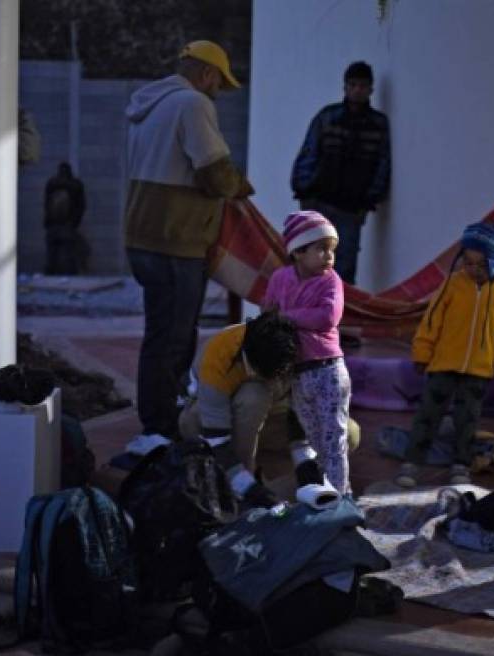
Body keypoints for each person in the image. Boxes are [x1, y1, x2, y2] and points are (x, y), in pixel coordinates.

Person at [123, 40, 253, 454]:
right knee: (173, 338)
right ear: (207, 74)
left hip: (143, 238)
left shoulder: (147, 106)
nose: (219, 91)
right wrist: (240, 186)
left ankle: (163, 417)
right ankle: (159, 429)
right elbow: (215, 173)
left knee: (161, 333)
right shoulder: (193, 105)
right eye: (220, 82)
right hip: (176, 242)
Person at [396, 223, 494, 488]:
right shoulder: (452, 284)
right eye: (468, 262)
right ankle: (413, 462)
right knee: (428, 415)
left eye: (481, 265)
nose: (472, 269)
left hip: (478, 371)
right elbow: (431, 320)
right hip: (443, 366)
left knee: (467, 420)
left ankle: (461, 465)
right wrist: (422, 353)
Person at [263, 211, 352, 497]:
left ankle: (341, 496)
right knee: (314, 437)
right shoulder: (280, 279)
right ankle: (326, 493)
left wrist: (286, 318)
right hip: (298, 375)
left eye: (332, 250)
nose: (329, 256)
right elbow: (268, 313)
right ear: (298, 252)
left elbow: (328, 316)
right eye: (321, 249)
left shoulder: (331, 281)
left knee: (334, 438)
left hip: (328, 370)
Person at [178, 312, 299, 509]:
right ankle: (241, 484)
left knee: (349, 435)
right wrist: (247, 487)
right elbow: (218, 442)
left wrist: (305, 460)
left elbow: (305, 411)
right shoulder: (218, 359)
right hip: (212, 425)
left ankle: (254, 479)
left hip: (269, 419)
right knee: (253, 396)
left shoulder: (293, 347)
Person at [290, 61, 391, 286]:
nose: (357, 90)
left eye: (362, 86)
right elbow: (309, 153)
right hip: (319, 202)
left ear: (370, 90)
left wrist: (369, 199)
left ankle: (336, 318)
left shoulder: (378, 124)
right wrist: (303, 190)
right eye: (353, 85)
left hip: (351, 209)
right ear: (345, 87)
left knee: (343, 270)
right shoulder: (327, 117)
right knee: (308, 263)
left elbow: (382, 165)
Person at [43, 162, 88, 275]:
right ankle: (69, 273)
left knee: (53, 253)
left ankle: (52, 273)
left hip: (55, 224)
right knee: (68, 252)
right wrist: (75, 222)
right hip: (68, 224)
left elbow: (47, 203)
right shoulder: (75, 184)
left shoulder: (53, 183)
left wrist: (48, 221)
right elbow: (81, 205)